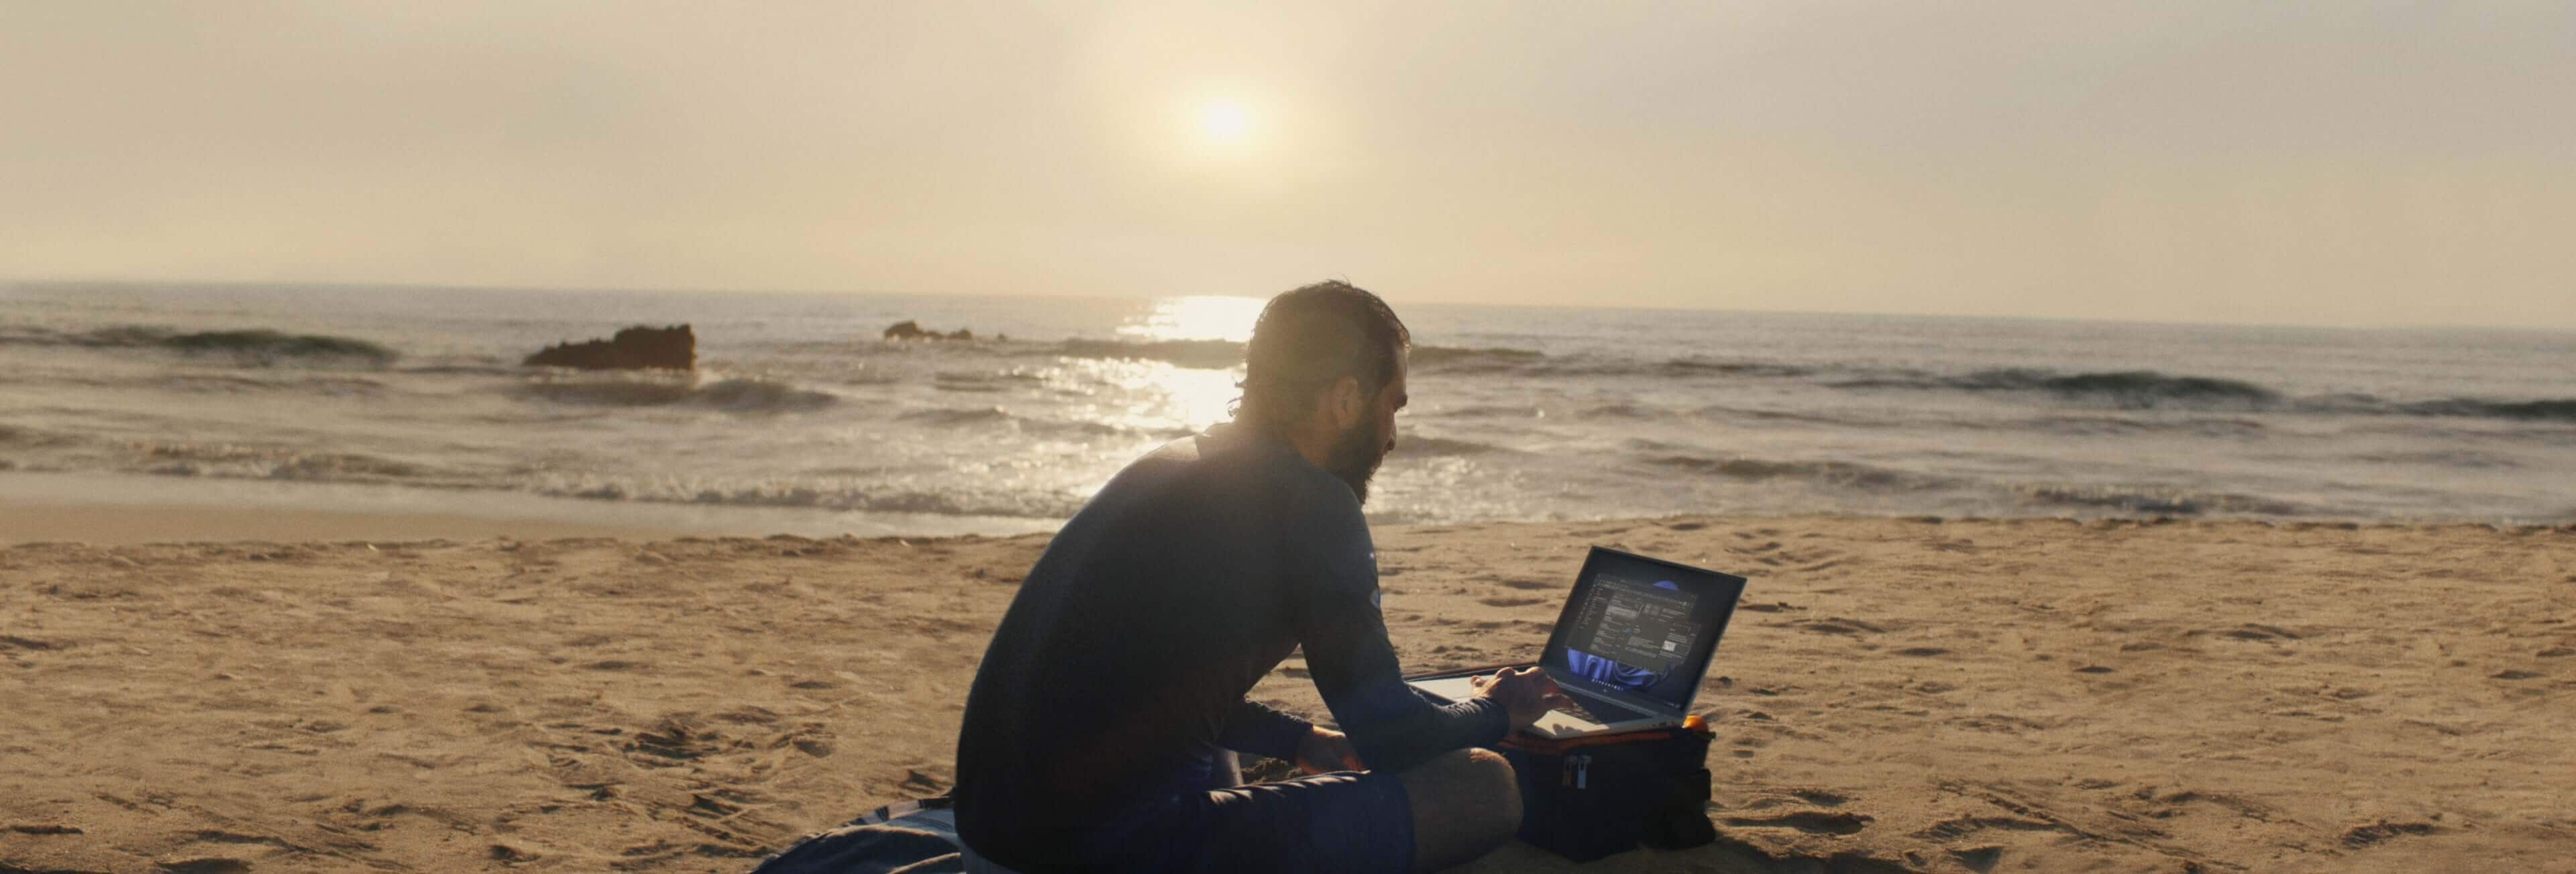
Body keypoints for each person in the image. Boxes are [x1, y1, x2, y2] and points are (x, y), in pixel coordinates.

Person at [952, 281, 1571, 873]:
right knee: (1485, 785)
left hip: (991, 837)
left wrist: (1300, 740)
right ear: (1346, 399)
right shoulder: (1314, 503)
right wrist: (1495, 707)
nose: (1392, 437)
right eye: (1392, 407)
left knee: (1209, 751)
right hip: (1105, 856)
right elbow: (1393, 735)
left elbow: (1148, 681)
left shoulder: (1169, 466)